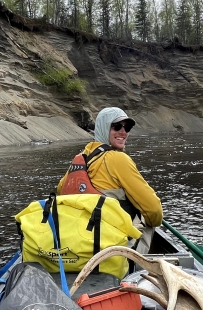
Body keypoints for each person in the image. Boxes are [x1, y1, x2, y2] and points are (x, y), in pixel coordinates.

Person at [57, 107, 163, 252]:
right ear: (103, 127)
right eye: (117, 126)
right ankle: (135, 266)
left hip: (77, 240)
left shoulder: (81, 157)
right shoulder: (118, 159)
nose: (123, 132)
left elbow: (61, 189)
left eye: (127, 127)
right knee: (148, 219)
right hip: (108, 246)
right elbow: (154, 210)